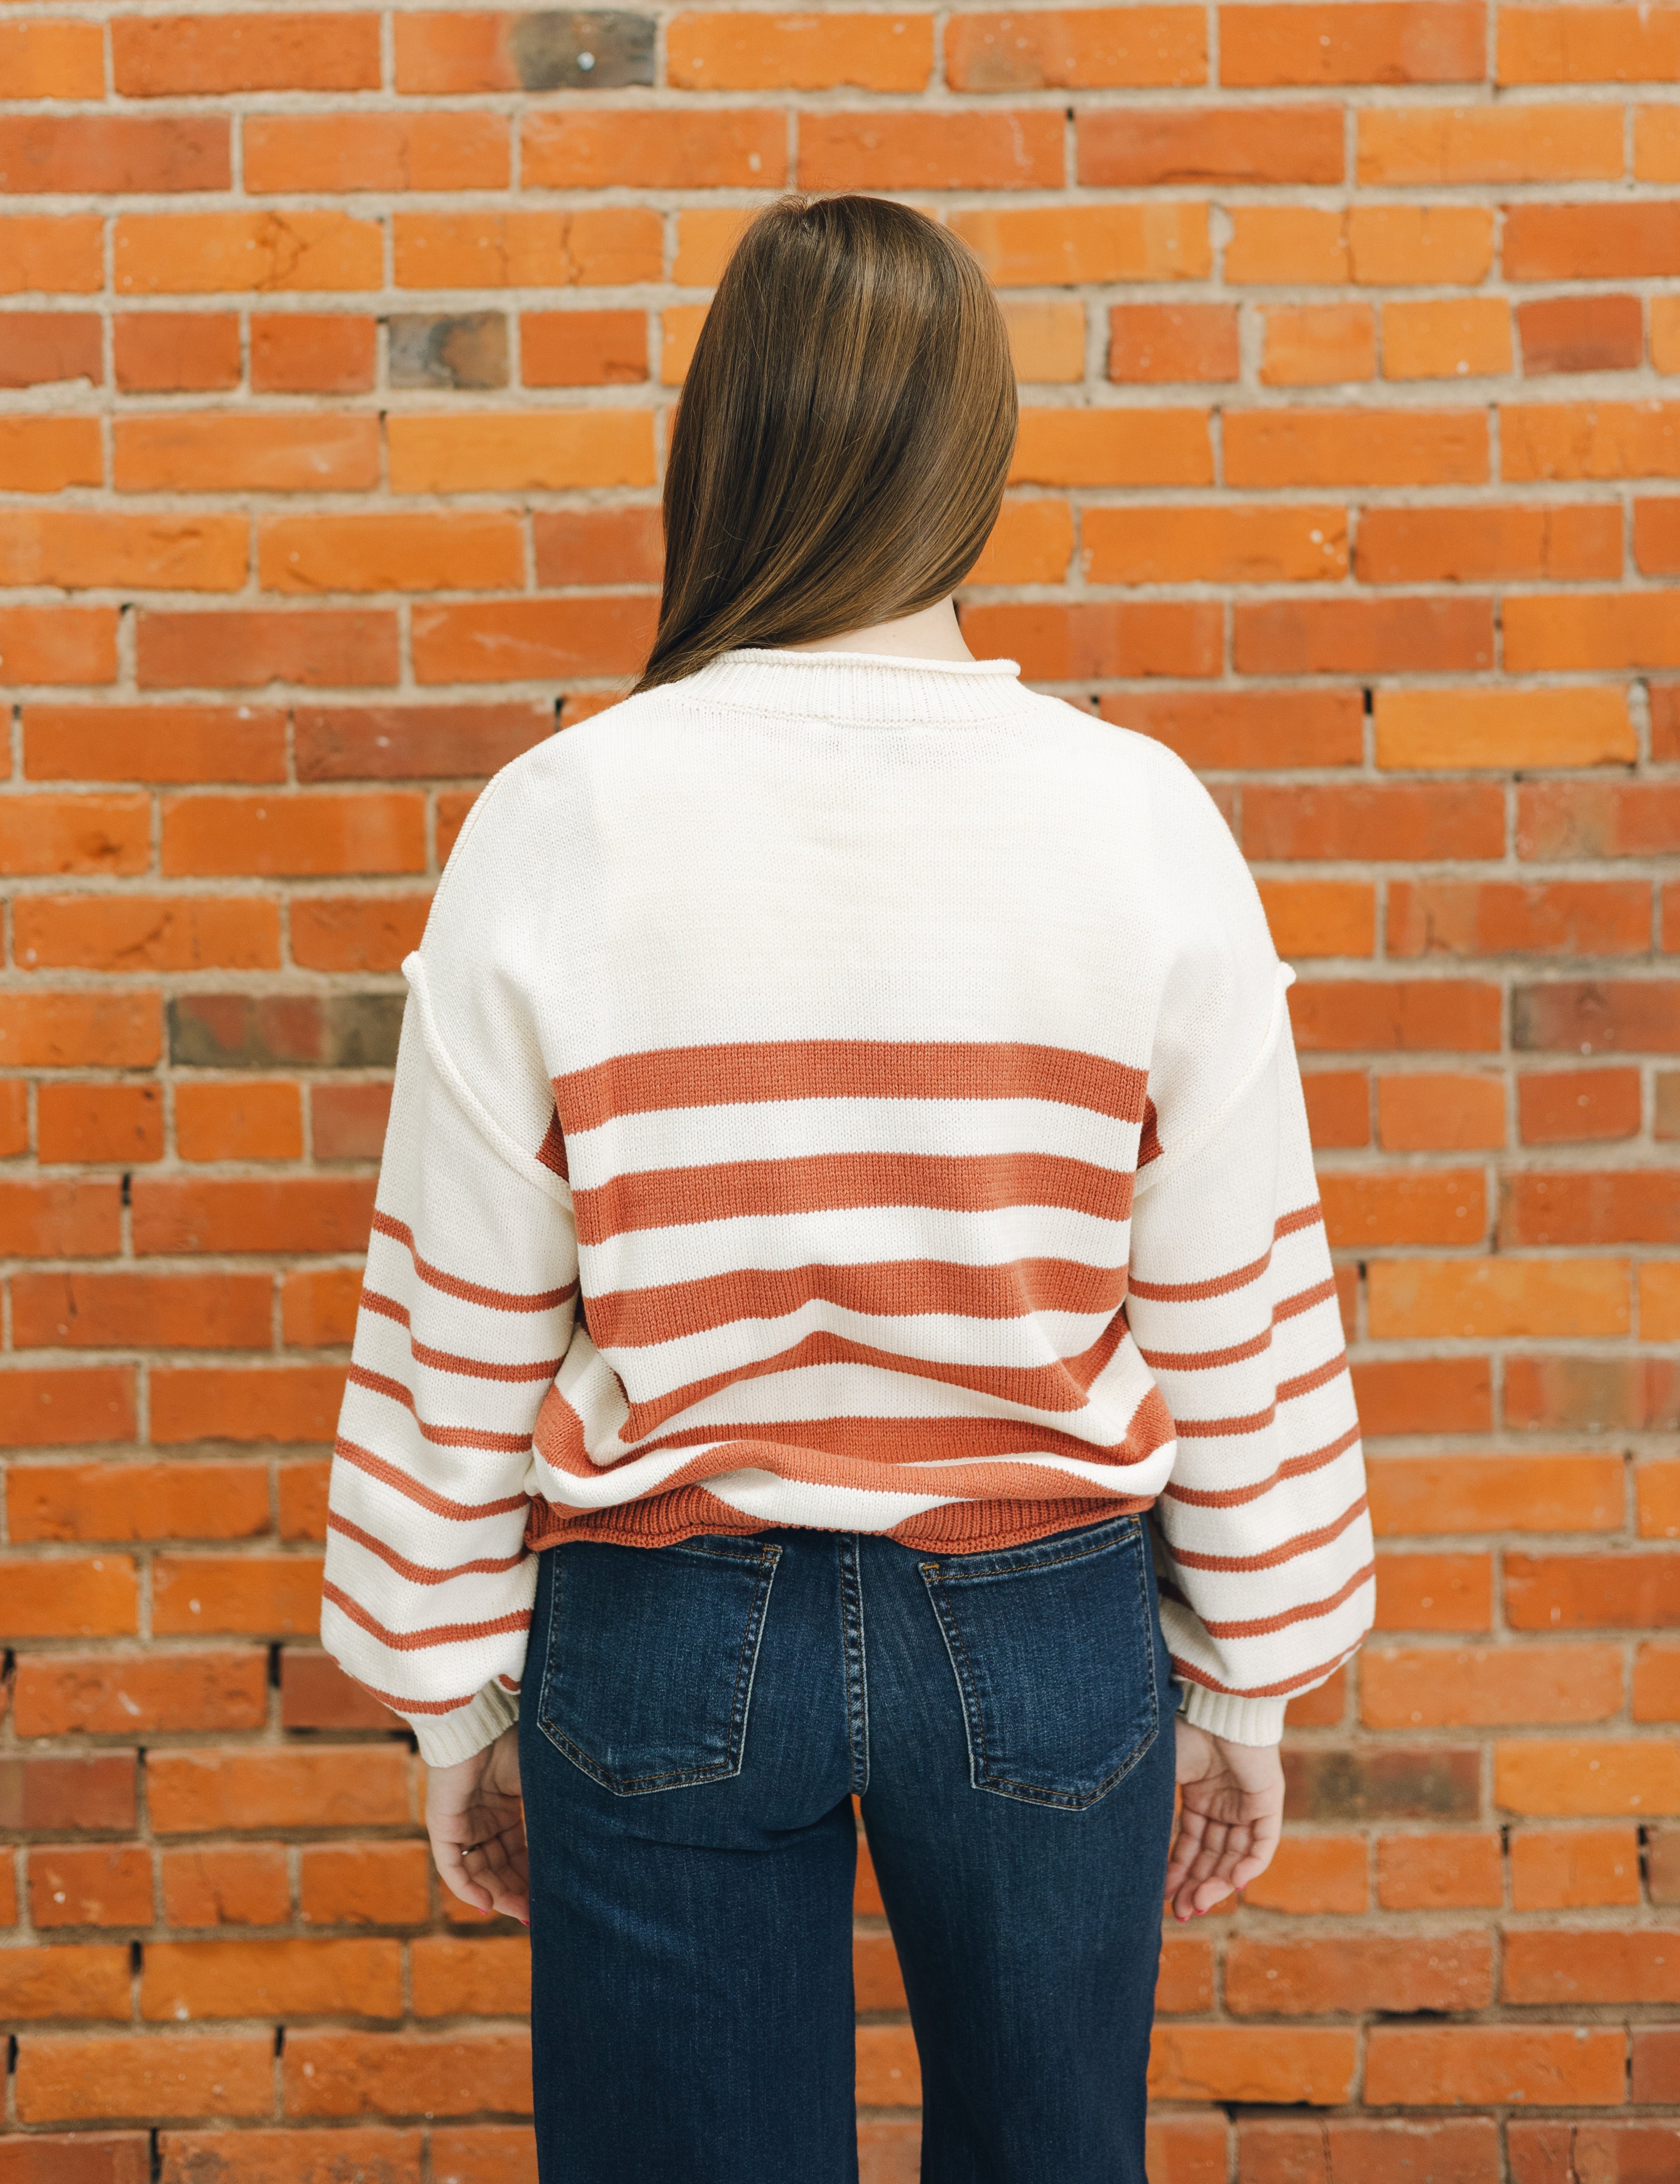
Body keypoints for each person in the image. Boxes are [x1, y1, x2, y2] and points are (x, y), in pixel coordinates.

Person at [319, 192, 1375, 2183]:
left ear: (721, 448)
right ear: (978, 463)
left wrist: (448, 1700)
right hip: (1050, 1625)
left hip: (658, 1630)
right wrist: (1251, 1660)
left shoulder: (560, 819)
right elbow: (1228, 1296)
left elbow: (458, 1309)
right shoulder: (1141, 822)